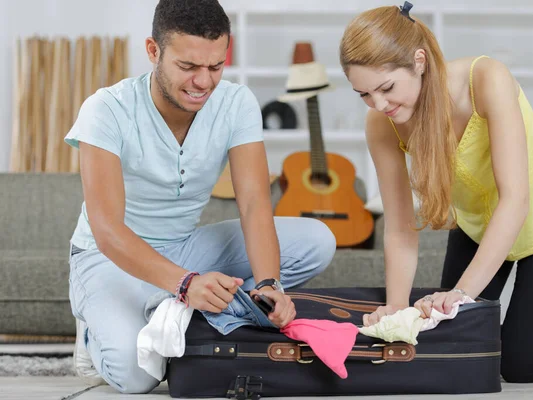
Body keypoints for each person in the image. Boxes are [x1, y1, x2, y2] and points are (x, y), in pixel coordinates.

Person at [64, 0, 336, 394]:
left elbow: (255, 203)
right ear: (153, 51)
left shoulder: (236, 103)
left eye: (215, 66)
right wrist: (186, 282)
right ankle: (92, 331)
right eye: (188, 67)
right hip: (108, 259)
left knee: (317, 241)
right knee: (137, 377)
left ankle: (176, 306)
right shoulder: (106, 109)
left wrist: (270, 283)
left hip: (185, 248)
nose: (203, 82)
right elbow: (107, 230)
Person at [339, 2, 533, 383]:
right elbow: (399, 227)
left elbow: (515, 200)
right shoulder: (381, 123)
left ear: (419, 61)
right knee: (451, 349)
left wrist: (460, 292)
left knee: (519, 365)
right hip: (478, 225)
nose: (379, 105)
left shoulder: (486, 79)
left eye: (387, 87)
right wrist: (395, 307)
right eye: (364, 94)